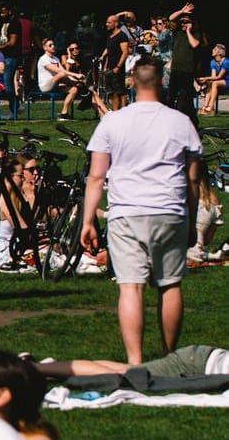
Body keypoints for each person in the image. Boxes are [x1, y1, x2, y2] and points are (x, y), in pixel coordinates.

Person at [82, 57, 202, 364]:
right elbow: (192, 178)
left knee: (131, 288)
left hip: (127, 210)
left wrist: (88, 220)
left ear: (131, 82)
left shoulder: (112, 121)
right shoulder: (181, 122)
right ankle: (169, 357)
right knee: (170, 284)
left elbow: (96, 177)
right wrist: (190, 220)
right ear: (161, 81)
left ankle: (135, 361)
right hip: (170, 208)